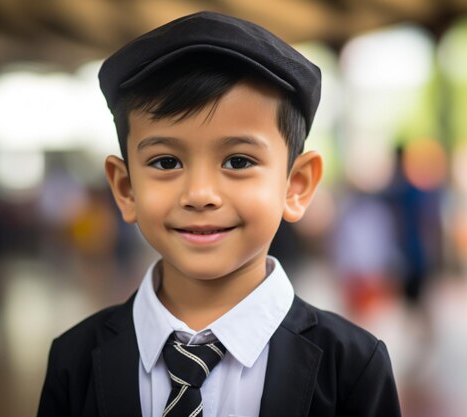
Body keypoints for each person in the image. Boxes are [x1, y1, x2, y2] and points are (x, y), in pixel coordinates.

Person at [37, 11, 401, 417]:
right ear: (125, 189)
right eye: (165, 162)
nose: (200, 195)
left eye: (239, 161)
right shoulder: (74, 359)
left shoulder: (352, 366)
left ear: (295, 186)